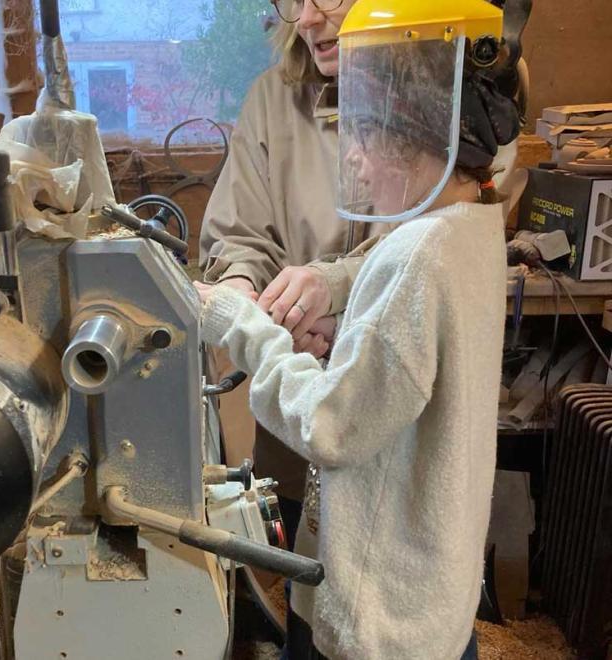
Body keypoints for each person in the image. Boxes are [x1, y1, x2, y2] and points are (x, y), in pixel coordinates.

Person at [196, 0, 521, 657]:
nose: (357, 164)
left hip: (378, 617)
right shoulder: (473, 226)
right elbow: (244, 241)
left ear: (420, 123)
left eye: (367, 135)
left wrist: (250, 325)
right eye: (294, 0)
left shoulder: (418, 255)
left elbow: (332, 425)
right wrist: (282, 297)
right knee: (312, 569)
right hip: (412, 580)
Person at [198, 0, 378, 541]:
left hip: (388, 388)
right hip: (298, 383)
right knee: (302, 563)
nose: (305, 18)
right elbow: (240, 232)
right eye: (293, 2)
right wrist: (238, 291)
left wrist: (333, 288)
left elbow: (432, 243)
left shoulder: (445, 93)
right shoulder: (273, 98)